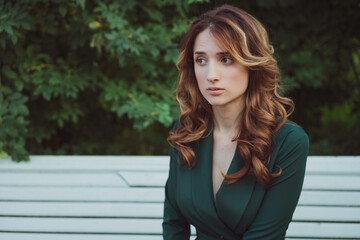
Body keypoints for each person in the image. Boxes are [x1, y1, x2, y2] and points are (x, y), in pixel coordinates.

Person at [162, 4, 309, 240]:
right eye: (201, 60)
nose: (211, 74)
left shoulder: (288, 142)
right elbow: (173, 225)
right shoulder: (186, 132)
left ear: (253, 64)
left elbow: (265, 236)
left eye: (226, 59)